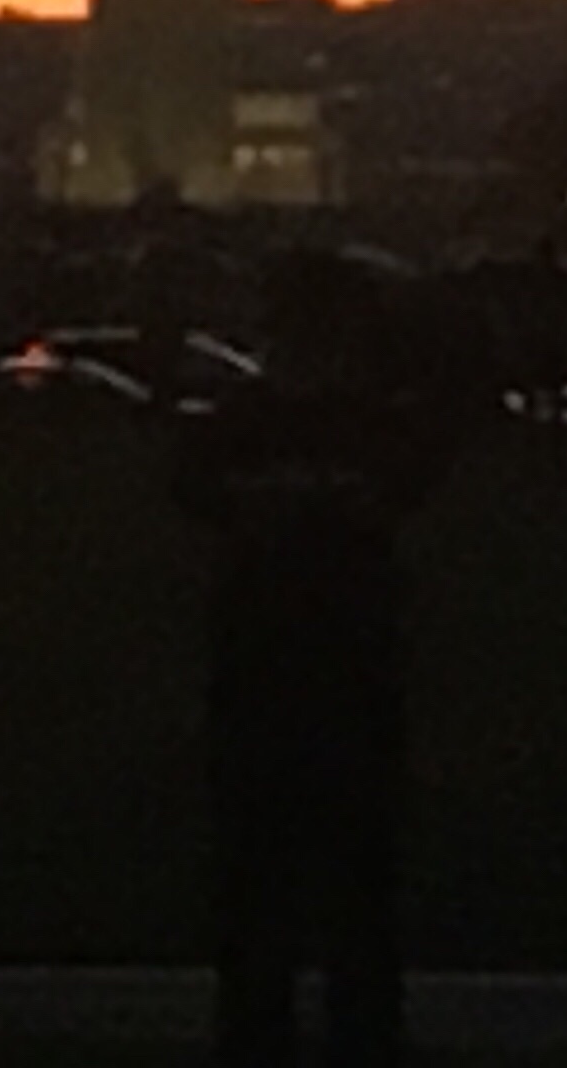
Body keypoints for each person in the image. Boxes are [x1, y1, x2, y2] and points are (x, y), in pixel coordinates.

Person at [173, 247, 471, 1068]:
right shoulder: (373, 429)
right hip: (337, 685)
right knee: (347, 906)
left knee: (270, 906)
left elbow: (196, 487)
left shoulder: (240, 427)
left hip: (277, 684)